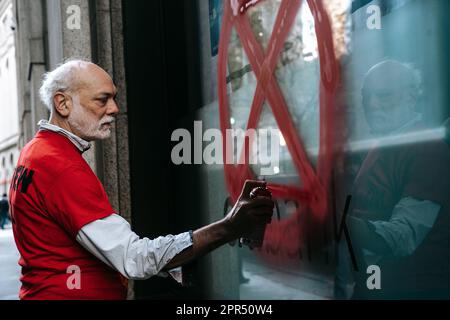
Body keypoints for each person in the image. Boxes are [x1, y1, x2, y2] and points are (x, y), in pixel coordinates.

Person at [9, 59, 274, 300]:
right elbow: (133, 258)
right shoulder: (59, 165)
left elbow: (65, 244)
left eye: (113, 98)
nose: (114, 109)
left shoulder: (35, 151)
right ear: (63, 103)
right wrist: (229, 226)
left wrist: (173, 260)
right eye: (102, 100)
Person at [343, 60, 450, 299]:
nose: (371, 105)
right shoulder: (384, 147)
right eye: (366, 97)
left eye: (384, 96)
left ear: (411, 98)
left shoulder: (427, 150)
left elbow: (401, 238)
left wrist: (337, 222)